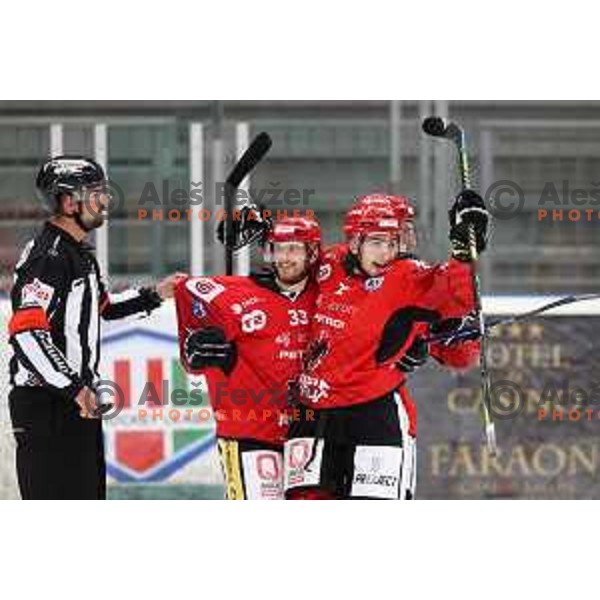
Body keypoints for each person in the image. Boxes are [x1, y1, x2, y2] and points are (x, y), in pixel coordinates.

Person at [284, 190, 489, 499]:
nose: (392, 249)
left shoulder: (408, 276)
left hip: (373, 414)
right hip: (313, 417)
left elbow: (456, 313)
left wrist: (463, 254)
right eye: (380, 240)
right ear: (354, 242)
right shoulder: (329, 262)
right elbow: (282, 282)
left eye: (398, 237)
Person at [7, 156, 181, 500]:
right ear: (69, 201)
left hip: (73, 402)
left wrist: (156, 294)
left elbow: (104, 307)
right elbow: (27, 333)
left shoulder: (80, 254)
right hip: (48, 405)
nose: (105, 200)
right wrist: (75, 389)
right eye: (96, 193)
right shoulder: (50, 256)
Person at [174, 215, 321, 499]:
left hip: (309, 431)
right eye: (278, 248)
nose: (284, 258)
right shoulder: (237, 296)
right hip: (249, 432)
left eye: (293, 248)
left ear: (312, 253)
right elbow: (186, 288)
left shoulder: (327, 293)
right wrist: (192, 350)